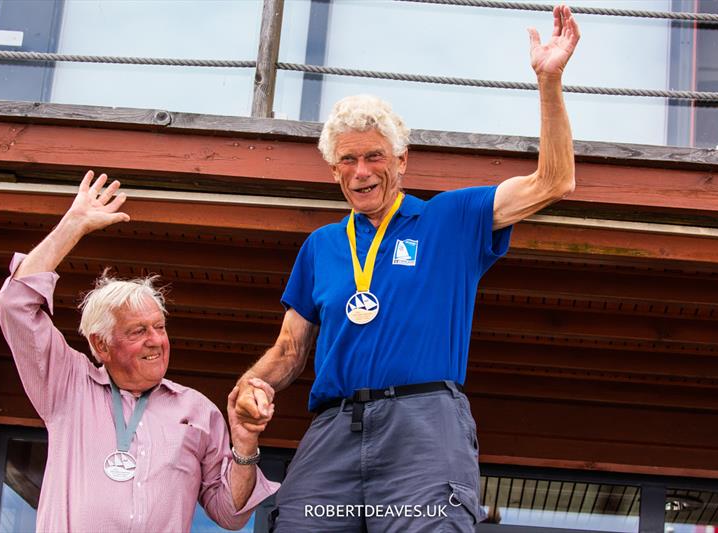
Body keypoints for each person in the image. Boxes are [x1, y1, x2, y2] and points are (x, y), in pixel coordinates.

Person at [234, 5, 580, 531]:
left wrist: (549, 81)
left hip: (422, 424)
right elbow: (289, 350)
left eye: (374, 157)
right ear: (333, 170)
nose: (362, 171)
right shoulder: (323, 245)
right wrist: (251, 384)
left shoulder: (450, 217)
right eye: (347, 160)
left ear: (401, 160)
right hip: (334, 429)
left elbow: (553, 181)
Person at [0, 171, 279, 532]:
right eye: (138, 331)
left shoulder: (197, 411)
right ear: (101, 344)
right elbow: (14, 304)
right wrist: (73, 226)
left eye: (159, 327)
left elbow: (231, 514)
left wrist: (244, 443)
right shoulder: (67, 386)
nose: (155, 340)